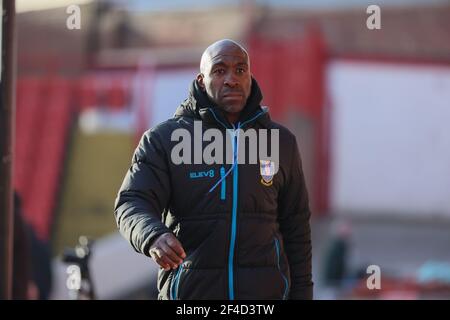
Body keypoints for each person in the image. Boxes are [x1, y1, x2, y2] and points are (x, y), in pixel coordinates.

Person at [114, 39, 313, 300]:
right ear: (200, 81)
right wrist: (152, 235)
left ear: (250, 78)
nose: (232, 79)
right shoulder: (163, 139)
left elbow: (297, 228)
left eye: (240, 70)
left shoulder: (280, 142)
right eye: (220, 71)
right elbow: (131, 202)